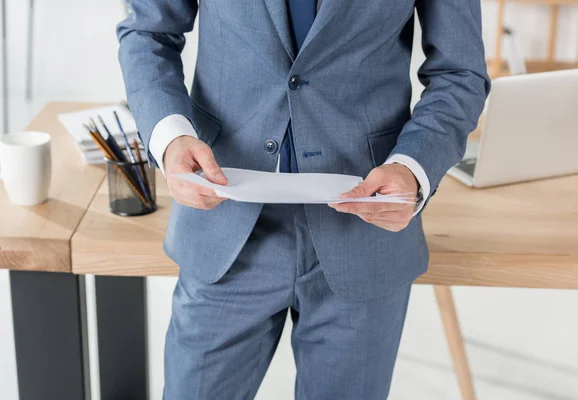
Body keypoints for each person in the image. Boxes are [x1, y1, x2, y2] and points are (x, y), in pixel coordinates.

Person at [117, 0, 490, 398]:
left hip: (365, 231)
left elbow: (459, 73)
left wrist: (413, 167)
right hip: (225, 224)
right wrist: (171, 136)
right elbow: (148, 32)